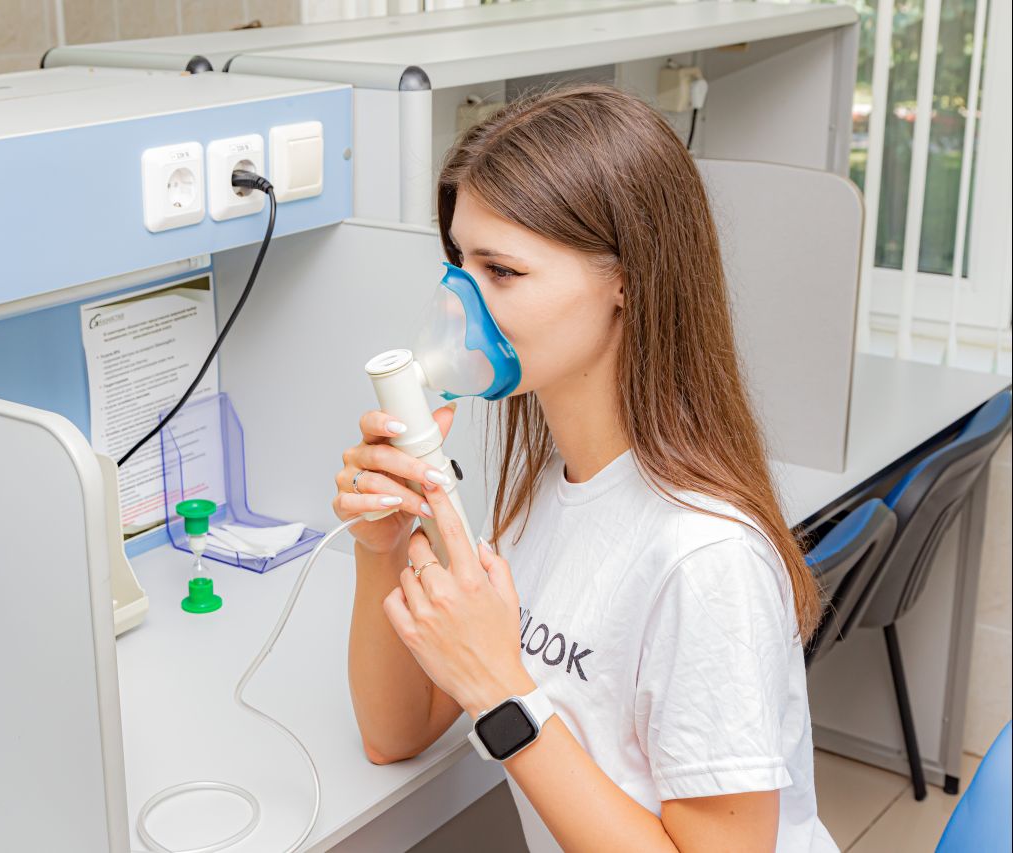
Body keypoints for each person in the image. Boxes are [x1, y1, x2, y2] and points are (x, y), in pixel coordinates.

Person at [331, 84, 836, 852]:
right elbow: (394, 734)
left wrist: (501, 689)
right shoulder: (545, 491)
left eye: (502, 271)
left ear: (627, 279)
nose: (458, 302)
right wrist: (383, 546)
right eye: (458, 263)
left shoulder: (705, 557)